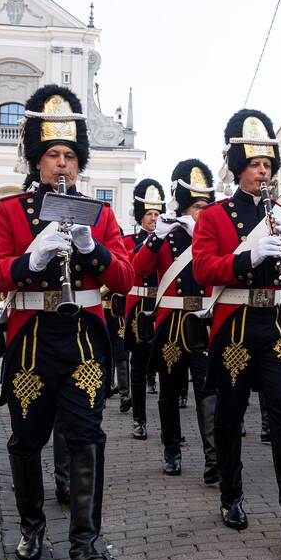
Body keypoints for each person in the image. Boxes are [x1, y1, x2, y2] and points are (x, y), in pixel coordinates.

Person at [0, 84, 132, 560]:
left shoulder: (101, 213)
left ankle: (85, 542)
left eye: (69, 155)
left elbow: (125, 279)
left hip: (83, 337)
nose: (62, 164)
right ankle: (32, 525)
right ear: (36, 161)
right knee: (27, 439)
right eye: (52, 156)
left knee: (87, 435)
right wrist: (31, 260)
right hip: (31, 339)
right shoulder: (10, 211)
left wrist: (94, 251)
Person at [192, 108, 281, 545]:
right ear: (238, 169)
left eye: (268, 165)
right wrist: (246, 257)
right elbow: (202, 269)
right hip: (236, 323)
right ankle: (231, 495)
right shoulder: (214, 217)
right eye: (254, 164)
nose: (263, 171)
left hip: (279, 324)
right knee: (231, 415)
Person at [133, 159, 218, 481]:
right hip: (170, 324)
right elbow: (138, 269)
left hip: (202, 320)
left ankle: (213, 458)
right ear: (184, 207)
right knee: (169, 390)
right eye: (197, 206)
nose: (203, 212)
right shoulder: (165, 234)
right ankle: (172, 450)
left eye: (206, 206)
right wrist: (155, 237)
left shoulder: (210, 235)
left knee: (209, 390)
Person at [124, 179, 166, 440]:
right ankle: (139, 419)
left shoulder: (168, 238)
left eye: (157, 214)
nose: (154, 218)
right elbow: (132, 266)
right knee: (138, 367)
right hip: (139, 308)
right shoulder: (128, 240)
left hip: (160, 306)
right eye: (149, 214)